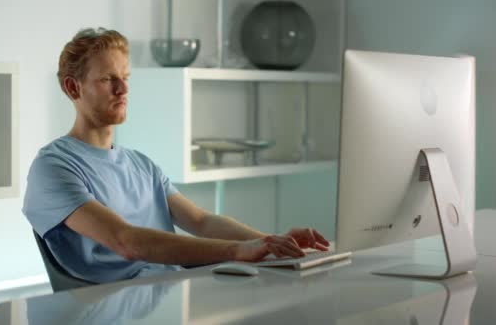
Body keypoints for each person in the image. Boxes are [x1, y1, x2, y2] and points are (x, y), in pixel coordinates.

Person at [22, 27, 330, 284]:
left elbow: (202, 222)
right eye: (107, 80)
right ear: (73, 88)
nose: (123, 89)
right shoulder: (53, 167)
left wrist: (272, 244)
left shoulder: (141, 164)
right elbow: (125, 241)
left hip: (169, 297)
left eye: (126, 77)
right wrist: (238, 250)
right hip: (110, 308)